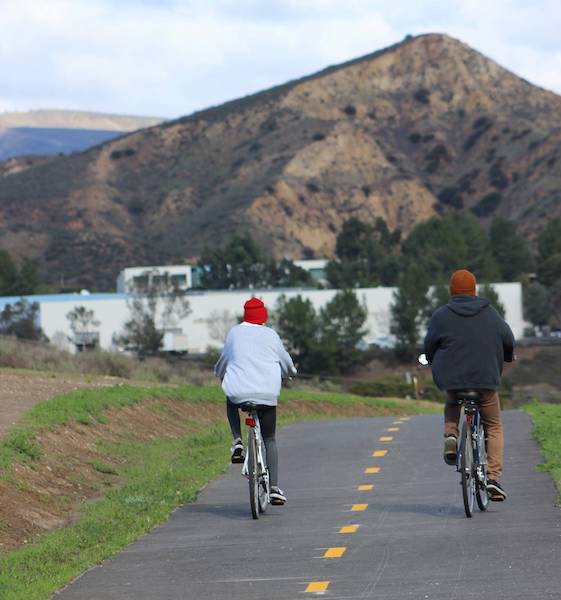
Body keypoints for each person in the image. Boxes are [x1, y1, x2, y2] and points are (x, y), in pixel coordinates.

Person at [424, 269, 515, 501]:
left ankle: (451, 436)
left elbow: (430, 346)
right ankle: (493, 478)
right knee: (493, 426)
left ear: (451, 290)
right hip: (485, 382)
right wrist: (508, 355)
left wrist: (432, 358)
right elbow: (508, 338)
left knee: (452, 402)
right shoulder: (490, 313)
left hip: (454, 381)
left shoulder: (441, 315)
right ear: (474, 290)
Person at [215, 297, 297, 505]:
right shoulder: (271, 335)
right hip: (267, 395)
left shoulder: (234, 333)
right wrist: (290, 372)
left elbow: (224, 361)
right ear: (263, 317)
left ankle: (238, 441)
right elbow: (285, 361)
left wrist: (220, 373)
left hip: (239, 394)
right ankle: (275, 489)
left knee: (230, 398)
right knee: (269, 439)